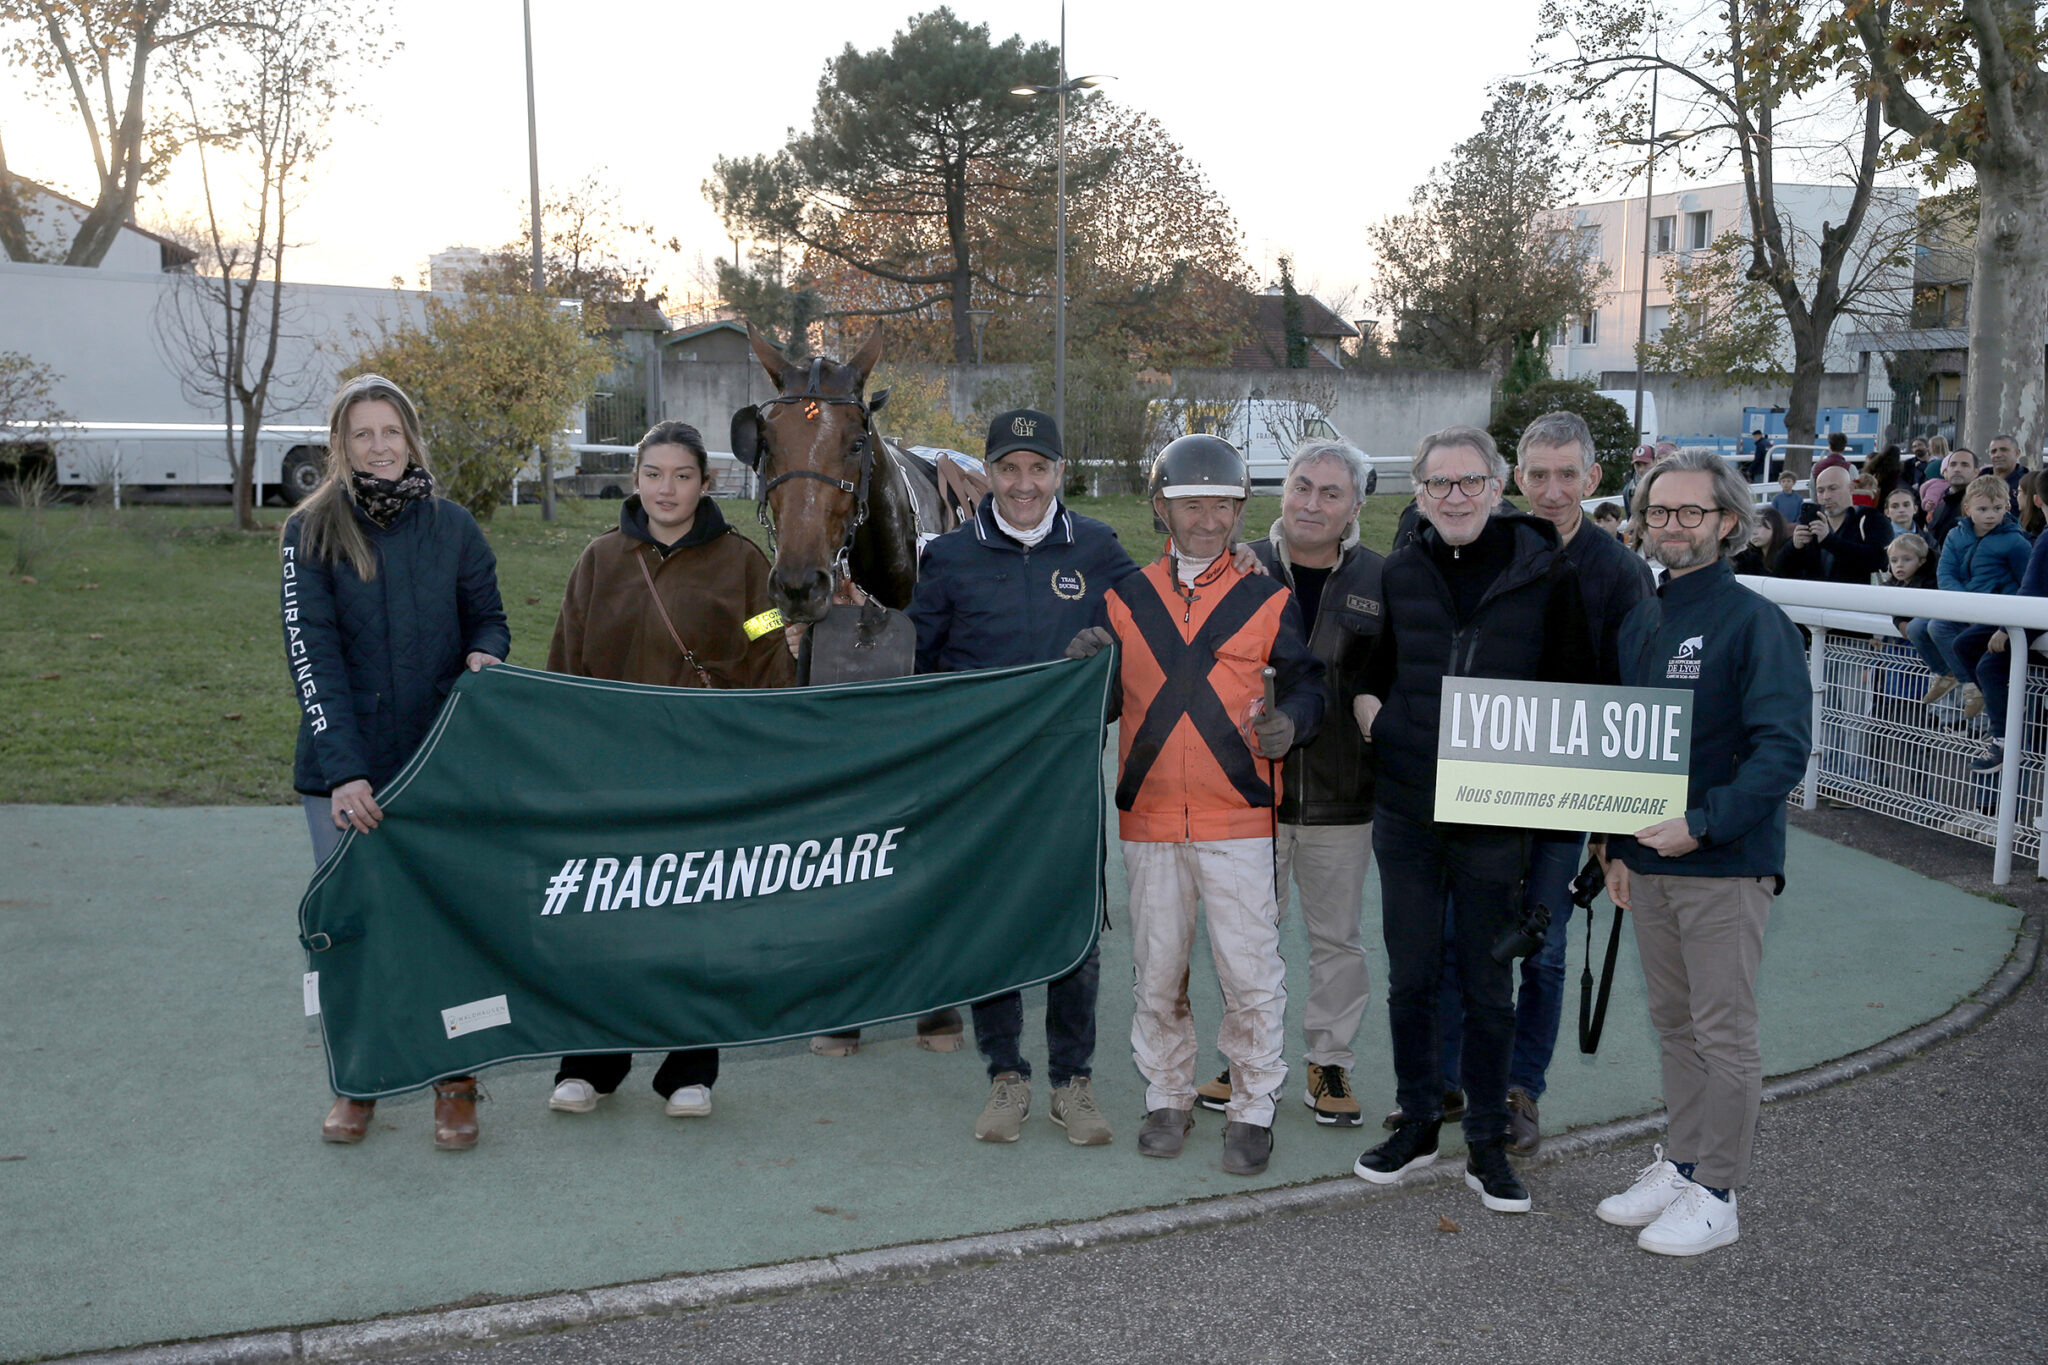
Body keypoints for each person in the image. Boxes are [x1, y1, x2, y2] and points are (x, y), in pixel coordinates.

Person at [1349, 424, 1598, 1216]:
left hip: (1496, 816)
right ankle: (1420, 1117)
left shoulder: (1545, 572)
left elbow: (1576, 692)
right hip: (1406, 811)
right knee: (1413, 975)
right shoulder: (1399, 570)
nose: (1453, 496)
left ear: (1497, 487)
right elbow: (1370, 667)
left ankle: (1487, 1140)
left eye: (1468, 482)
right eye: (1438, 483)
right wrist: (1376, 717)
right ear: (1419, 493)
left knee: (1491, 983)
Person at [1066, 434, 1323, 1178]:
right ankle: (1167, 1098)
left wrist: (1292, 722)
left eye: (1221, 506)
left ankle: (1252, 1109)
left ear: (1241, 511)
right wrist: (1083, 670)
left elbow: (1308, 684)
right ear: (1161, 508)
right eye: (1190, 506)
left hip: (1238, 818)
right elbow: (1106, 706)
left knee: (1251, 976)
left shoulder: (1267, 597)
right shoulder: (1124, 598)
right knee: (1157, 974)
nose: (1207, 520)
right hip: (1149, 819)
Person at [1405, 412, 1654, 1154]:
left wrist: (1615, 828)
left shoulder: (1620, 573)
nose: (1550, 490)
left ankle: (1521, 1090)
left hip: (1564, 788)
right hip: (1475, 782)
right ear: (1515, 477)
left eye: (1566, 475)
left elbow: (1634, 697)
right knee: (1458, 936)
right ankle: (1450, 1079)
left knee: (1542, 946)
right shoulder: (1480, 541)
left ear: (1593, 478)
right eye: (1537, 474)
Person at [542, 421, 795, 1123]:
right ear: (635, 480)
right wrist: (566, 761)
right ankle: (591, 1064)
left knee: (695, 924)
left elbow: (763, 638)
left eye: (682, 476)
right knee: (607, 920)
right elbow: (568, 657)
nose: (666, 489)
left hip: (703, 775)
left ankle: (690, 1069)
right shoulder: (600, 560)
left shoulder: (742, 562)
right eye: (653, 474)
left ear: (706, 484)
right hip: (613, 776)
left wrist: (766, 634)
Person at [280, 374, 509, 1150]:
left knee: (449, 924)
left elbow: (489, 619)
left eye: (391, 431)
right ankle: (359, 1080)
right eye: (362, 434)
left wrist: (485, 653)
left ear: (411, 436)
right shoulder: (309, 531)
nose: (379, 446)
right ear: (340, 445)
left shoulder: (453, 525)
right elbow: (311, 657)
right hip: (344, 771)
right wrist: (345, 772)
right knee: (353, 930)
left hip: (439, 764)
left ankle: (457, 1079)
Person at [1595, 448, 1810, 1257]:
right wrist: (1616, 845)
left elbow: (1782, 750)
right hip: (1649, 861)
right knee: (1675, 1024)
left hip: (1723, 860)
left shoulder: (1755, 621)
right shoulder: (1641, 618)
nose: (1672, 525)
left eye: (1691, 511)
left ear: (1727, 523)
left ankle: (1718, 1190)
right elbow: (1622, 746)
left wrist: (1705, 823)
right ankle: (1683, 1164)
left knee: (1723, 1031)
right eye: (1659, 511)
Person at [906, 408, 1139, 1147]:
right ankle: (1005, 1075)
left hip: (1066, 777)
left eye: (1039, 468)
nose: (1024, 483)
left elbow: (1157, 621)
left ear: (1060, 472)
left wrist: (1248, 560)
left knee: (1076, 930)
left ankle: (1073, 1081)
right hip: (985, 781)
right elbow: (919, 665)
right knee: (994, 924)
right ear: (990, 473)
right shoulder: (948, 557)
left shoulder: (1098, 547)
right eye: (1009, 468)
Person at [1190, 439, 1384, 1128]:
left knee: (1337, 940)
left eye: (1331, 492)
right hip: (1248, 795)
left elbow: (1395, 674)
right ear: (1283, 491)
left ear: (1355, 507)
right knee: (1244, 936)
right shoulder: (1237, 567)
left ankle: (1328, 1061)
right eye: (1302, 486)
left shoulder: (1381, 580)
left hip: (1343, 796)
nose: (1312, 503)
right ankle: (1246, 1055)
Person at [1922, 474, 2032, 738]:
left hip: (1997, 612)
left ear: (2007, 507)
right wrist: (1965, 605)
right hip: (1964, 606)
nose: (1990, 515)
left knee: (1941, 630)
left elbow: (2025, 583)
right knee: (1920, 628)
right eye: (1982, 509)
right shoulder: (1955, 535)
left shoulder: (2015, 541)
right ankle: (1953, 676)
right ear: (1967, 508)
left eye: (1997, 508)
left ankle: (1972, 687)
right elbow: (1946, 573)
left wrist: (2002, 617)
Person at [1781, 463, 1893, 584]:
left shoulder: (1872, 519)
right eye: (1820, 491)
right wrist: (1794, 547)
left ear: (1851, 488)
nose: (1826, 496)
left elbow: (1880, 560)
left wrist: (1829, 540)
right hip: (1816, 594)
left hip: (1858, 594)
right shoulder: (1812, 526)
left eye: (1833, 489)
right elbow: (1779, 571)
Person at [1730, 507, 1793, 577]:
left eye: (1759, 526)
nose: (1754, 532)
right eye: (1751, 528)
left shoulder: (1790, 552)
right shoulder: (1748, 558)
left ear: (1775, 526)